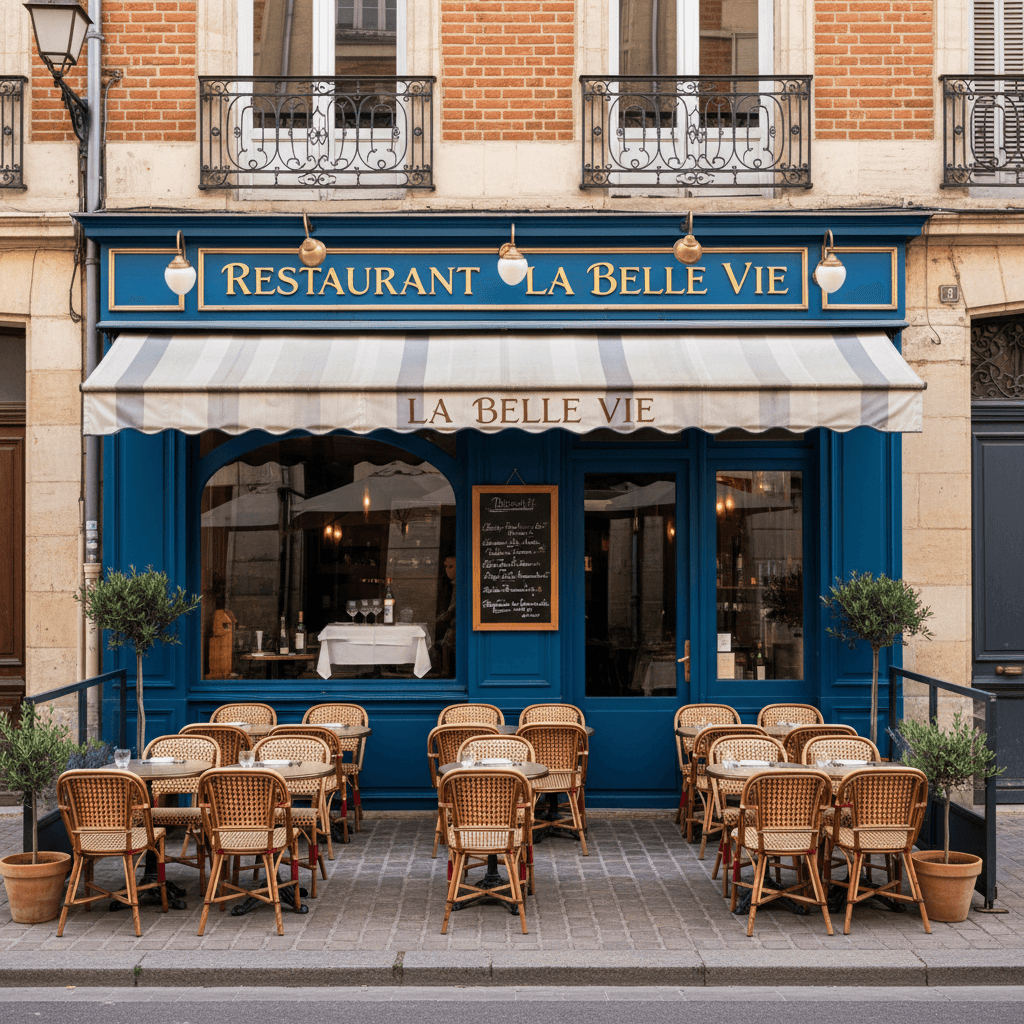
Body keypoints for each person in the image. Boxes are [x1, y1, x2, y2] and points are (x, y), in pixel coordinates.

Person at [432, 554, 456, 676]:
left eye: (451, 567)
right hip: (451, 623)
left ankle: (446, 673)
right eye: (446, 567)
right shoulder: (449, 584)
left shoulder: (461, 585)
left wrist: (437, 620)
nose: (448, 570)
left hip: (458, 625)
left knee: (446, 641)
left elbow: (453, 609)